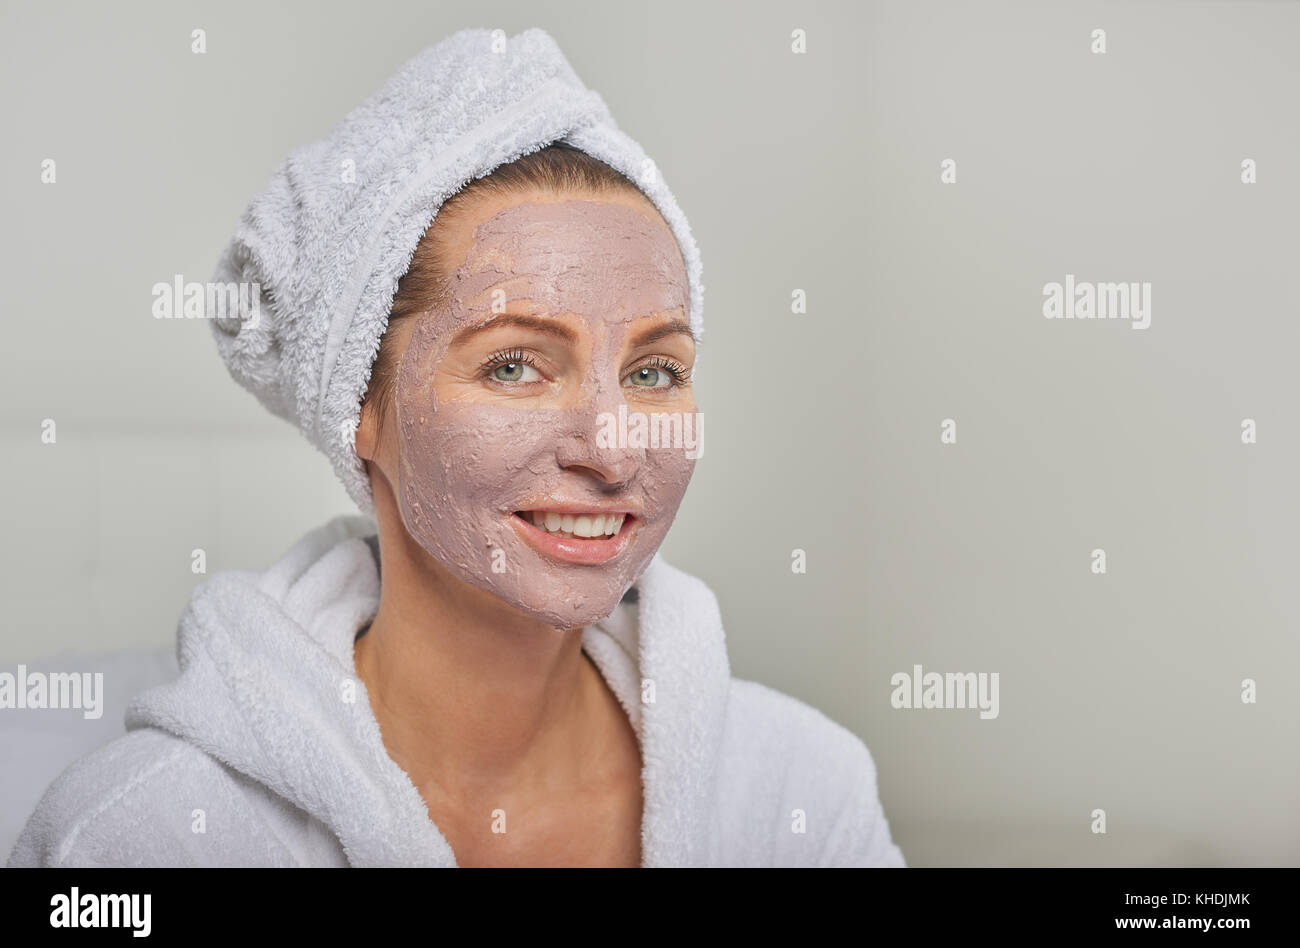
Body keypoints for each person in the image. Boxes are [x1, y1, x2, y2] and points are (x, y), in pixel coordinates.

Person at [7, 27, 904, 868]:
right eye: (516, 366)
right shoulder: (145, 835)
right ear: (362, 404)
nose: (613, 448)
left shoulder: (802, 799)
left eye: (655, 371)